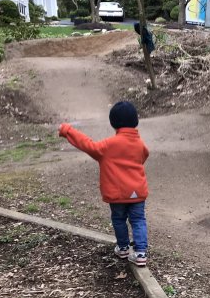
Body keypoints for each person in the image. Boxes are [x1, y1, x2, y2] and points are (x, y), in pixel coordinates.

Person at [59, 101, 150, 266]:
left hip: (117, 194)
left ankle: (123, 248)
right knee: (138, 220)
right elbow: (144, 156)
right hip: (137, 192)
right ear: (135, 121)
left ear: (113, 122)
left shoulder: (108, 146)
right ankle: (141, 253)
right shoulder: (140, 144)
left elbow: (88, 145)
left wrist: (68, 131)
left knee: (119, 219)